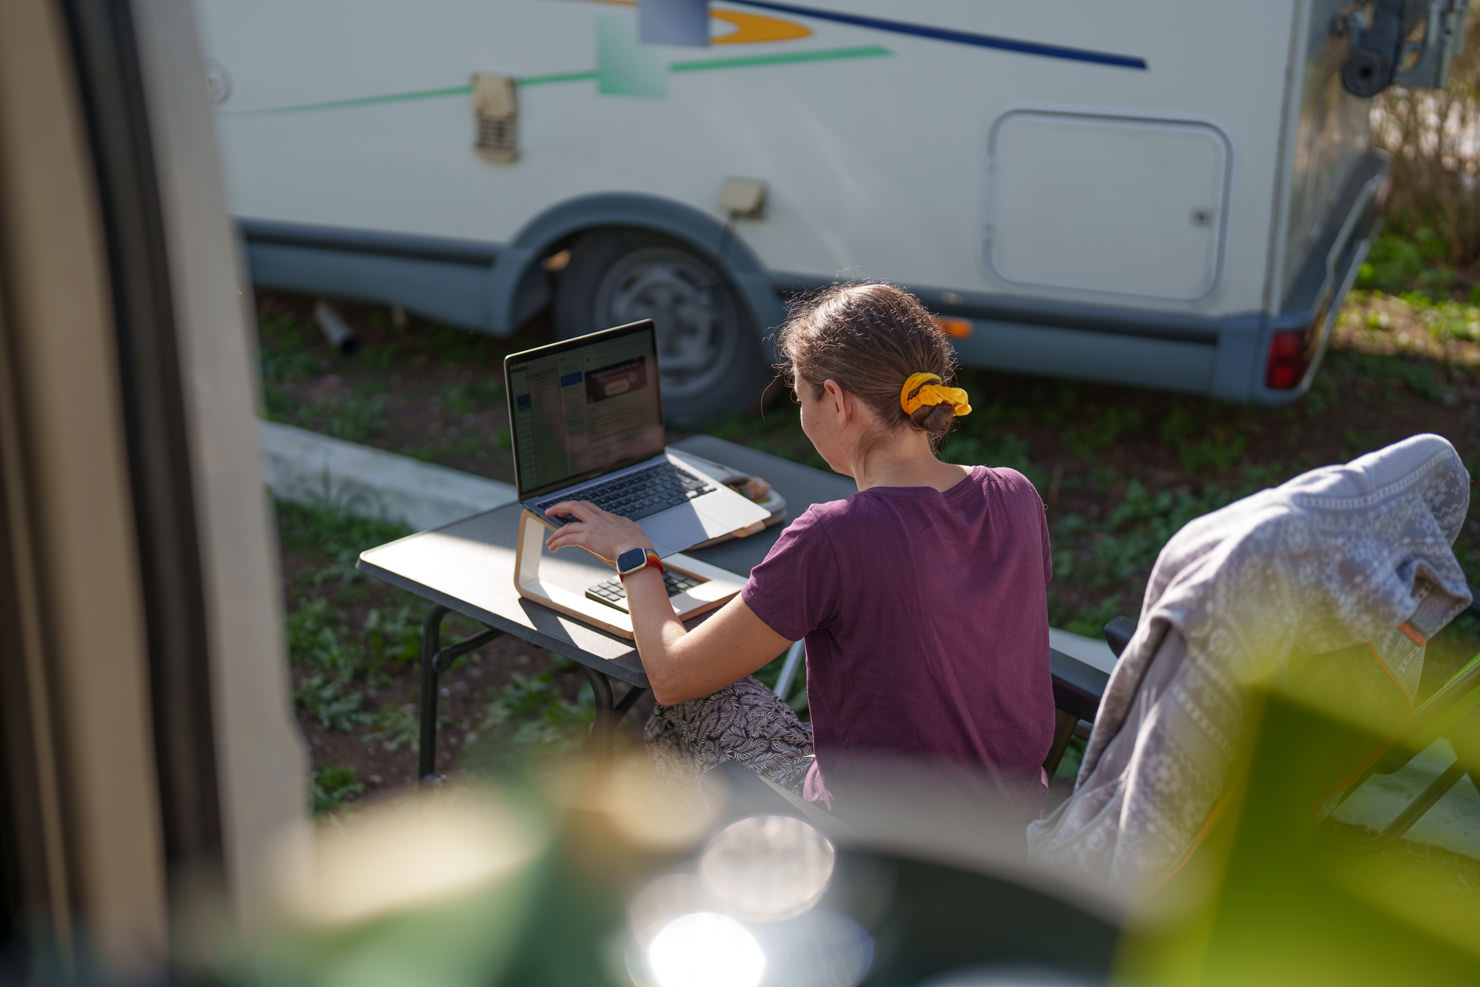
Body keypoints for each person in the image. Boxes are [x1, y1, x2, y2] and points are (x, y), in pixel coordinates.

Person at [544, 283, 1055, 812]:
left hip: (882, 842)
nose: (801, 414)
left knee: (689, 706)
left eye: (799, 395)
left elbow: (674, 675)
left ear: (835, 400)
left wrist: (634, 553)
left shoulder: (835, 536)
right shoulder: (1014, 493)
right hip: (1003, 833)